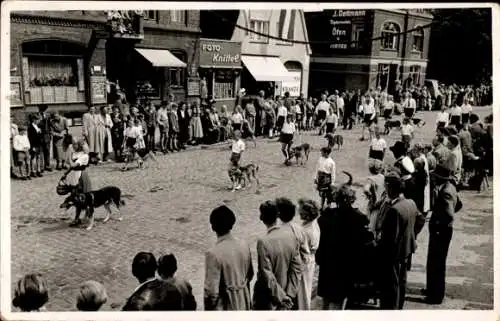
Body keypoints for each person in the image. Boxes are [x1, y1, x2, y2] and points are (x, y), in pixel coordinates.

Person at [316, 185, 374, 309]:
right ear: (352, 200)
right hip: (346, 265)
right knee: (340, 298)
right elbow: (365, 243)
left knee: (326, 298)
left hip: (328, 262)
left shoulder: (327, 216)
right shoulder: (359, 218)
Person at [377, 171, 424, 309]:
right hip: (407, 249)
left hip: (394, 254)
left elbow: (389, 240)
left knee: (391, 285)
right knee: (402, 281)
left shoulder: (394, 210)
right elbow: (420, 220)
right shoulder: (410, 203)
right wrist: (411, 235)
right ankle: (399, 307)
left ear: (390, 188)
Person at [423, 162, 460, 304]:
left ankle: (436, 295)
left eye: (435, 177)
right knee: (433, 261)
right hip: (441, 231)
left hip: (441, 232)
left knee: (437, 263)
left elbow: (450, 213)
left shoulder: (446, 192)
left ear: (440, 178)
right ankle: (432, 289)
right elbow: (459, 205)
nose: (433, 179)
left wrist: (439, 224)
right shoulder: (448, 187)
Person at [253, 201, 301, 310]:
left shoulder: (263, 241)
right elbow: (297, 268)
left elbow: (267, 274)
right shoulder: (291, 236)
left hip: (268, 297)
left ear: (262, 218)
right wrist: (289, 294)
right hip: (287, 290)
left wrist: (282, 297)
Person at [204, 205, 254, 310]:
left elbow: (211, 292)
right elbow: (250, 274)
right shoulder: (244, 245)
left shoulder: (213, 253)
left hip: (227, 305)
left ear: (213, 227)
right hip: (243, 300)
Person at [297, 198, 320, 310]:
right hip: (310, 260)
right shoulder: (312, 224)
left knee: (303, 291)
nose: (299, 213)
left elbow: (302, 250)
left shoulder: (306, 231)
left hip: (304, 262)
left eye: (301, 212)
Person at [364, 159, 386, 231]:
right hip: (383, 204)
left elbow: (366, 189)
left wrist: (370, 195)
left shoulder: (370, 179)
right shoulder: (383, 178)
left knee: (370, 226)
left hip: (374, 206)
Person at [27, 114, 44, 178]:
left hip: (39, 144)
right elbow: (30, 138)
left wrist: (40, 132)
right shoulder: (30, 127)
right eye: (37, 120)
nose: (38, 121)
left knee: (38, 157)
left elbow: (40, 137)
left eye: (39, 120)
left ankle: (38, 170)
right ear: (34, 120)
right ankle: (33, 171)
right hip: (34, 145)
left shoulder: (38, 127)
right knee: (33, 158)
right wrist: (32, 147)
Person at [38, 104, 53, 172]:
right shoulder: (37, 116)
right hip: (40, 136)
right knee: (41, 152)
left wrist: (51, 134)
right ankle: (41, 167)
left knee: (47, 151)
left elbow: (50, 125)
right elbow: (37, 124)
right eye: (41, 109)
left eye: (44, 109)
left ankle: (47, 165)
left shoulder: (48, 115)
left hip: (47, 136)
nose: (42, 110)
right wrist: (41, 120)